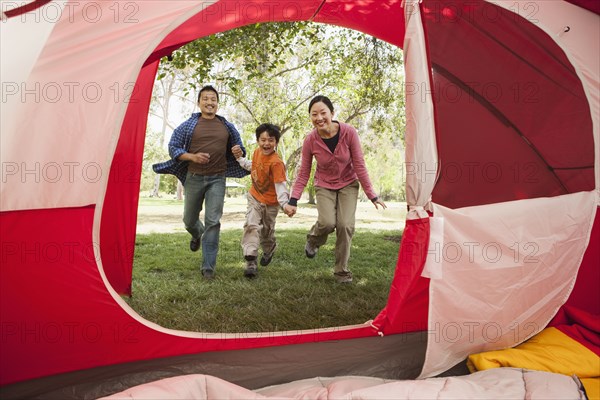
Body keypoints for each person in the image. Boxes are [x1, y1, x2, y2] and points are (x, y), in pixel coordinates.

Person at [287, 95, 386, 284]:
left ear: (332, 113)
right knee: (326, 223)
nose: (319, 118)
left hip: (348, 183)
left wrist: (372, 195)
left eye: (323, 113)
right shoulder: (310, 140)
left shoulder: (349, 133)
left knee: (345, 225)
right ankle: (313, 240)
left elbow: (359, 165)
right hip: (324, 184)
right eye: (314, 114)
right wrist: (293, 200)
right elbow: (304, 172)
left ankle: (342, 272)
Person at [153, 85, 249, 280]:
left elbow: (239, 148)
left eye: (213, 99)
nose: (209, 102)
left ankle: (208, 267)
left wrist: (239, 151)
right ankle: (197, 234)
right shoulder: (188, 125)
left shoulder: (227, 126)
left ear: (217, 104)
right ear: (199, 103)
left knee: (213, 222)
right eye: (205, 98)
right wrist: (192, 157)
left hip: (218, 178)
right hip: (194, 177)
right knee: (189, 220)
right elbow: (173, 147)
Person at [232, 124, 295, 278]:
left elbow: (280, 187)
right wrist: (240, 159)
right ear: (258, 140)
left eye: (271, 140)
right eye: (263, 140)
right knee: (251, 224)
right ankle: (251, 259)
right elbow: (252, 166)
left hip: (271, 203)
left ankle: (269, 249)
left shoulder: (277, 163)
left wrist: (285, 204)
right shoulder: (256, 152)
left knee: (266, 232)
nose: (266, 143)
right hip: (255, 196)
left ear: (276, 142)